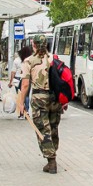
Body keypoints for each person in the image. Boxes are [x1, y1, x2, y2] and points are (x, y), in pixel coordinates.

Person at [17, 34, 65, 174]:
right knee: (54, 127)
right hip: (55, 98)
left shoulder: (28, 61)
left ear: (34, 45)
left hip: (39, 98)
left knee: (43, 129)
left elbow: (25, 85)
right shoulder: (53, 59)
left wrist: (21, 103)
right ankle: (52, 154)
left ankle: (51, 161)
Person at [9, 45, 32, 118]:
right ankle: (27, 111)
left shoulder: (17, 60)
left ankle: (21, 112)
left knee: (20, 96)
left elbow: (13, 72)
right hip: (28, 79)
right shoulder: (31, 60)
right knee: (27, 95)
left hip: (17, 79)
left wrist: (11, 81)